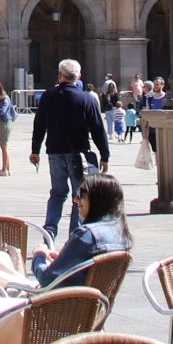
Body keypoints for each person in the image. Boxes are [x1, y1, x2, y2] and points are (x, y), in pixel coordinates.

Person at [29, 58, 111, 240]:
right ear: (79, 76)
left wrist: (35, 150)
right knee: (80, 196)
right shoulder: (86, 99)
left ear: (60, 75)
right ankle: (76, 236)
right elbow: (98, 128)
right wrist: (104, 155)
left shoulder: (48, 96)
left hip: (55, 153)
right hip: (79, 154)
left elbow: (39, 125)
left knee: (57, 193)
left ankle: (50, 230)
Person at [31, 173, 131, 288]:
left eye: (81, 194)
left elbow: (46, 278)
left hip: (58, 301)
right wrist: (64, 258)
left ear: (97, 198)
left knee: (6, 266)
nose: (75, 199)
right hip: (93, 300)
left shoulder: (87, 234)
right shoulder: (120, 233)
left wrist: (39, 256)